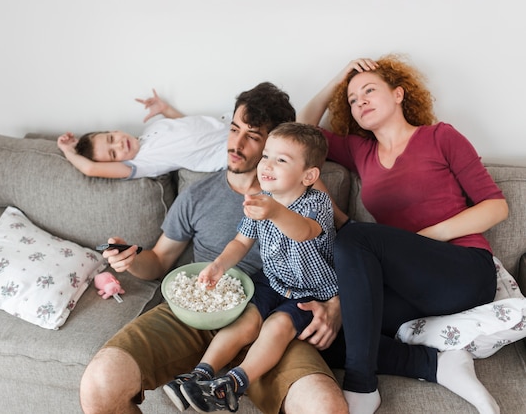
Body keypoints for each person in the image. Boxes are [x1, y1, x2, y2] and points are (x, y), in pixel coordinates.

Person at [79, 82, 350, 414]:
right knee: (99, 383)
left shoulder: (303, 195)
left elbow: (342, 242)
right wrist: (131, 258)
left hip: (275, 315)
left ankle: (233, 381)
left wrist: (336, 304)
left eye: (252, 136)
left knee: (325, 407)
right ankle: (200, 376)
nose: (235, 144)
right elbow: (159, 261)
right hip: (198, 308)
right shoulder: (197, 195)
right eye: (234, 129)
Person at [298, 54, 509, 414]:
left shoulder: (440, 137)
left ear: (398, 94)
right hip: (408, 286)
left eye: (368, 90)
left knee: (355, 237)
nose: (359, 100)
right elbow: (303, 129)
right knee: (319, 333)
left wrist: (430, 235)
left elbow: (495, 206)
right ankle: (439, 366)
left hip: (462, 271)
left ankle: (363, 388)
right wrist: (339, 77)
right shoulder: (360, 151)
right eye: (351, 99)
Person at [173, 122, 338, 413]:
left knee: (278, 326)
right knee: (246, 320)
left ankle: (234, 383)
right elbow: (240, 241)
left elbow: (303, 231)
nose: (267, 165)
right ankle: (200, 374)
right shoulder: (262, 200)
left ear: (309, 175)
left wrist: (274, 211)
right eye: (266, 156)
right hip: (272, 280)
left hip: (310, 292)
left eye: (281, 160)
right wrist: (219, 265)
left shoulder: (317, 203)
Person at [57, 89, 229, 179]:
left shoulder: (152, 128)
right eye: (113, 153)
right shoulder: (140, 163)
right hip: (227, 151)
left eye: (112, 139)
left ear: (115, 131)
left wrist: (165, 110)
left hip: (229, 123)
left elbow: (185, 126)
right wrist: (67, 150)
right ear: (118, 162)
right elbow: (90, 168)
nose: (119, 145)